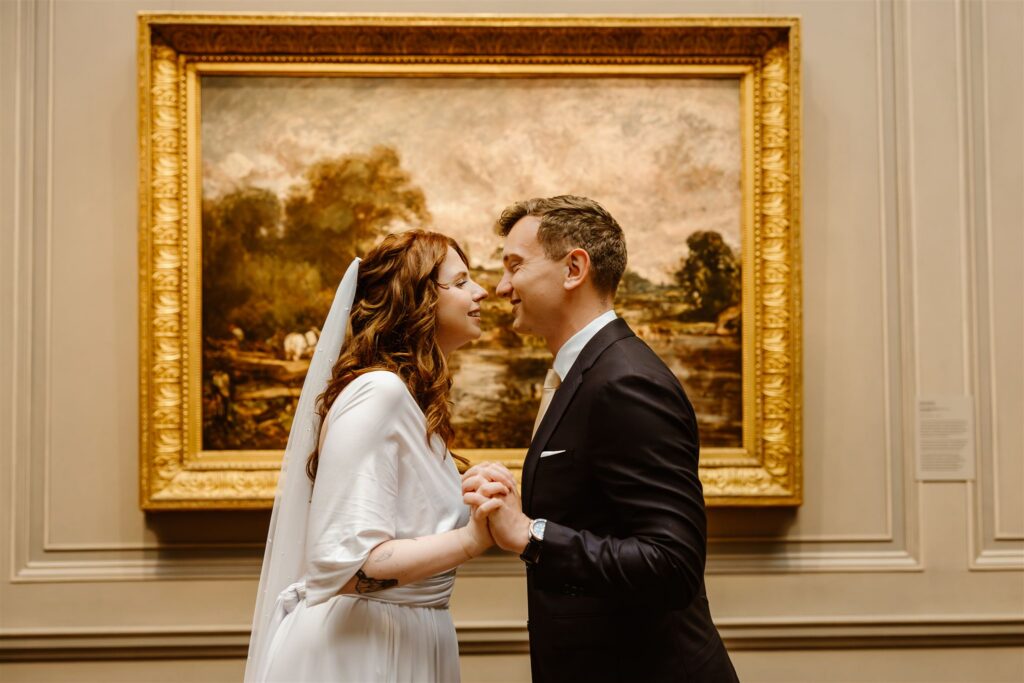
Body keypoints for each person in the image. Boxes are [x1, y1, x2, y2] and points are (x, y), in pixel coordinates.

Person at [463, 196, 739, 682]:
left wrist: (530, 535)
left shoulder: (626, 381)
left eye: (515, 266)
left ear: (574, 269)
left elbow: (673, 565)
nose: (501, 287)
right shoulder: (586, 373)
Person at [246, 230, 506, 683]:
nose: (481, 291)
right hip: (365, 649)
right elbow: (347, 565)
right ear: (418, 298)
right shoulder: (378, 391)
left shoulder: (405, 400)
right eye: (462, 282)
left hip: (400, 636)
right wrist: (472, 539)